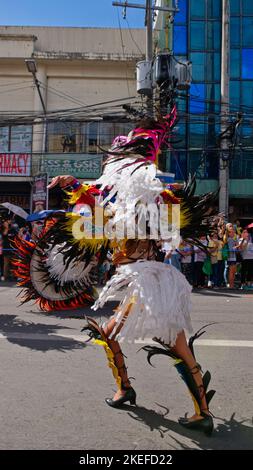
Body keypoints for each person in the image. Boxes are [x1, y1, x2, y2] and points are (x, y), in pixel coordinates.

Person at [47, 114, 217, 436]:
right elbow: (98, 200)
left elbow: (99, 201)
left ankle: (146, 395)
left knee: (154, 340)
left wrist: (75, 187)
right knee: (160, 341)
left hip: (145, 281)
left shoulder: (151, 197)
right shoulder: (136, 198)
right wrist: (73, 186)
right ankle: (183, 405)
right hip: (149, 279)